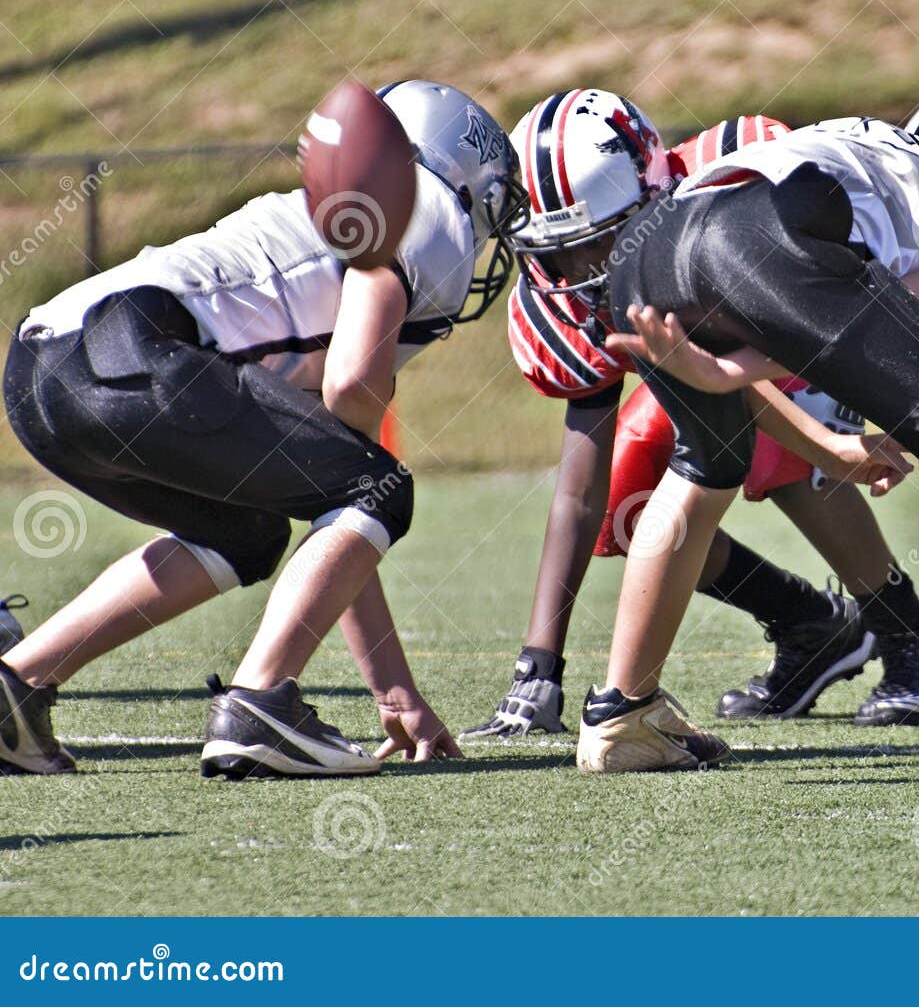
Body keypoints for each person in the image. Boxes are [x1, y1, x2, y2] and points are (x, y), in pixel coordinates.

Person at [0, 81, 527, 778]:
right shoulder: (427, 212)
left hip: (45, 367)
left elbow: (331, 507)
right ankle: (258, 703)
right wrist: (360, 447)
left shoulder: (333, 212)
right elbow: (349, 403)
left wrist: (391, 688)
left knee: (248, 531)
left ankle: (16, 688)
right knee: (378, 485)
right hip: (133, 354)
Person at [574, 84, 919, 774]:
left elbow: (793, 302)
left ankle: (622, 714)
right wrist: (742, 366)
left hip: (654, 249)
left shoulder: (872, 147)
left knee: (709, 461)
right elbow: (894, 301)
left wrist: (810, 436)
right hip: (761, 238)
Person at [463, 94, 919, 737]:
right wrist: (539, 669)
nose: (580, 273)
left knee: (764, 453)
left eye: (600, 245)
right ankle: (809, 622)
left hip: (823, 320)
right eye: (560, 252)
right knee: (627, 497)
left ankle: (911, 636)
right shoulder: (568, 289)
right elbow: (579, 493)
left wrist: (836, 440)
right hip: (724, 362)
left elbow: (743, 377)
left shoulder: (734, 199)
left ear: (653, 203)